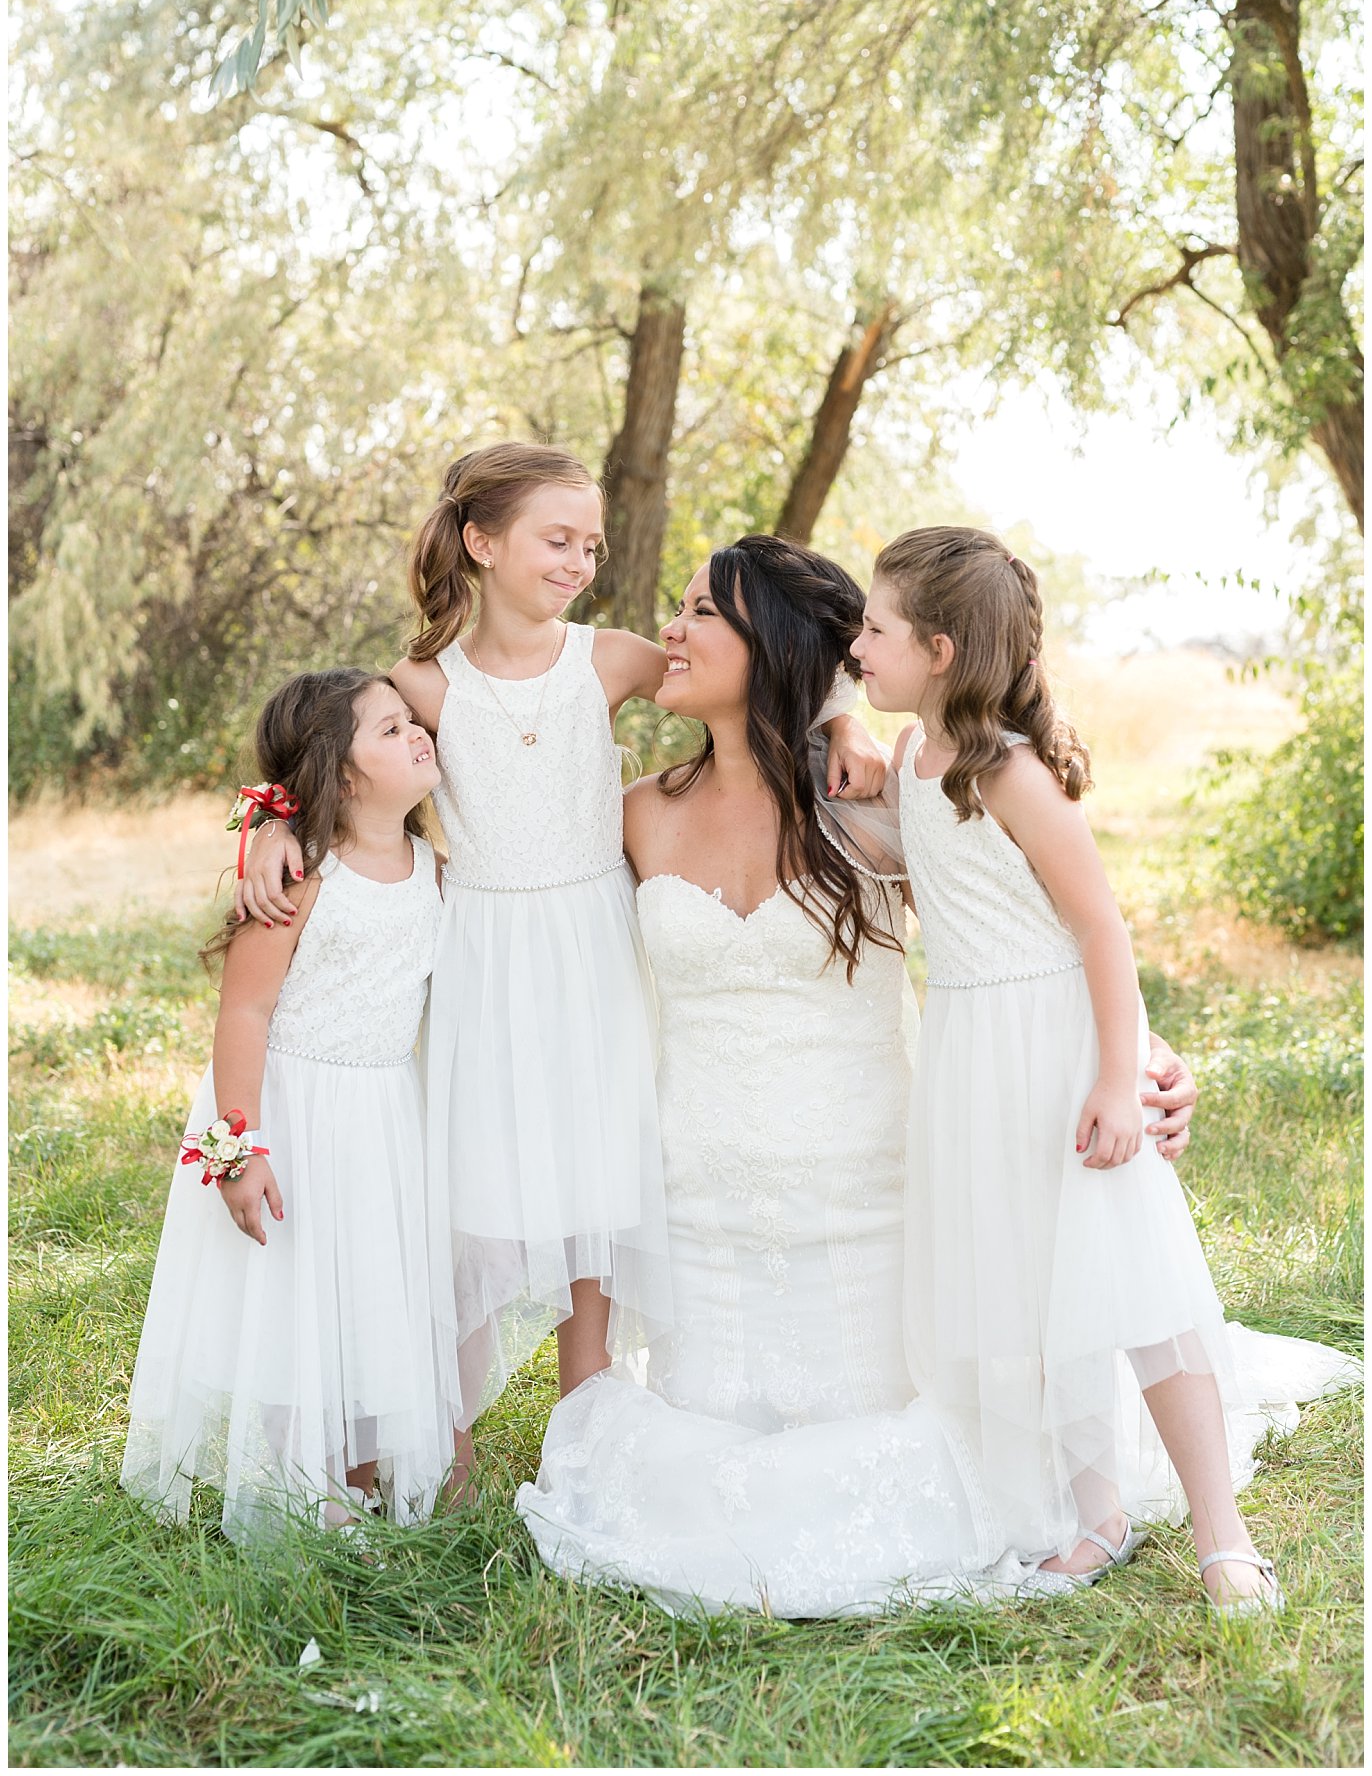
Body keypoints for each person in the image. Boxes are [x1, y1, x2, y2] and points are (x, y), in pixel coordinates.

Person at [515, 537, 1201, 1617]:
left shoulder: (878, 813)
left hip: (870, 1205)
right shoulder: (636, 813)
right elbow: (503, 893)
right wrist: (284, 818)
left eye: (702, 612)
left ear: (779, 648)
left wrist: (1140, 1061)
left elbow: (1021, 942)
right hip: (703, 1210)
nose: (672, 632)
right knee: (707, 1452)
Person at [237, 447, 883, 1470]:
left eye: (590, 543)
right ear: (481, 542)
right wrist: (269, 822)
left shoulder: (611, 658)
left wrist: (844, 716)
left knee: (599, 1180)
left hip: (594, 948)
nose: (580, 559)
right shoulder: (419, 683)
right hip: (486, 956)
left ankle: (587, 1432)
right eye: (556, 538)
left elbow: (777, 669)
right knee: (473, 1192)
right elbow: (314, 750)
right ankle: (429, 1441)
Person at [855, 525, 1358, 1613]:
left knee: (1133, 1289)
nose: (859, 644)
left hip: (1055, 1045)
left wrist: (1117, 1077)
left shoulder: (1011, 772)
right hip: (969, 1055)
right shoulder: (909, 760)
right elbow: (916, 865)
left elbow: (1103, 930)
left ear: (938, 649)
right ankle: (1097, 1511)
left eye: (875, 627)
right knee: (1033, 1284)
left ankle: (1224, 1531)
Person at [122, 669, 452, 1543]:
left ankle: (358, 1475)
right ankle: (304, 1487)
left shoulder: (437, 870)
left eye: (412, 719)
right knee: (293, 1296)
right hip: (292, 1112)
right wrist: (240, 1149)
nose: (419, 732)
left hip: (383, 1114)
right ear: (341, 776)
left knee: (370, 1292)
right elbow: (246, 1009)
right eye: (390, 730)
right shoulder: (301, 874)